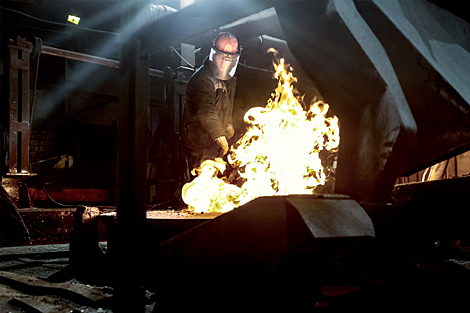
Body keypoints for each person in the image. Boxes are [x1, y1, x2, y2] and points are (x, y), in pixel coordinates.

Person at [181, 32, 241, 175]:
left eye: (229, 59)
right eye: (222, 58)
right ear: (213, 54)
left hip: (211, 142)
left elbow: (225, 106)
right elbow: (206, 110)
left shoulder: (224, 80)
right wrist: (219, 134)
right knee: (202, 184)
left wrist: (229, 124)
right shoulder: (204, 80)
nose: (225, 63)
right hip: (199, 144)